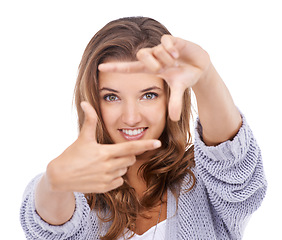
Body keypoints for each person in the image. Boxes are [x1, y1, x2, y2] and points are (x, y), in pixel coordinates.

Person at [20, 16, 267, 240]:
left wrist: (206, 77)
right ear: (92, 99)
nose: (131, 117)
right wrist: (54, 182)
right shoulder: (79, 194)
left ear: (171, 95)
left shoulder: (207, 184)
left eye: (148, 95)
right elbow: (47, 227)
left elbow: (233, 162)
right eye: (112, 97)